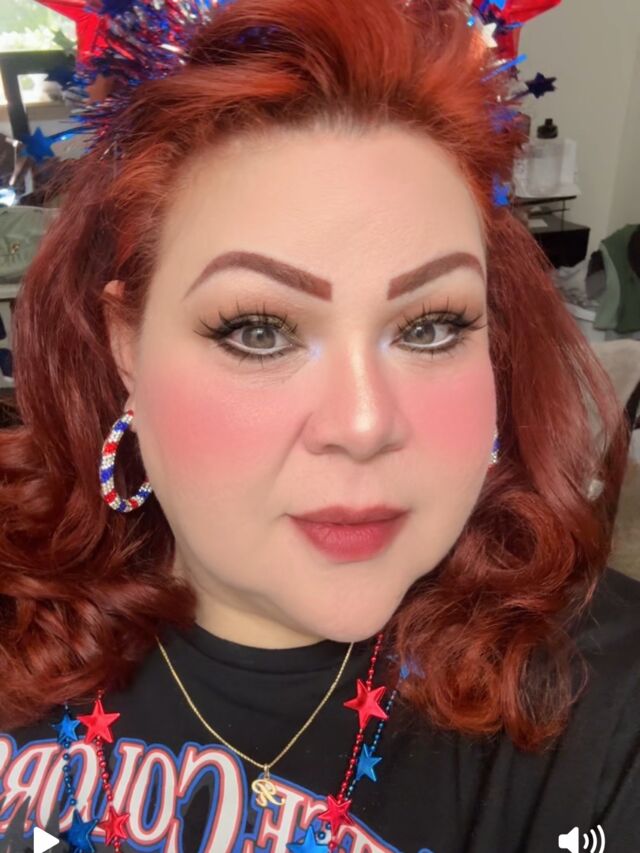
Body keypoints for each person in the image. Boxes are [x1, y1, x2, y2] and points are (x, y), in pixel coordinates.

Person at [0, 1, 638, 852]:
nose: (364, 424)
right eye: (259, 330)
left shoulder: (602, 700)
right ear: (127, 347)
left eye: (431, 325)